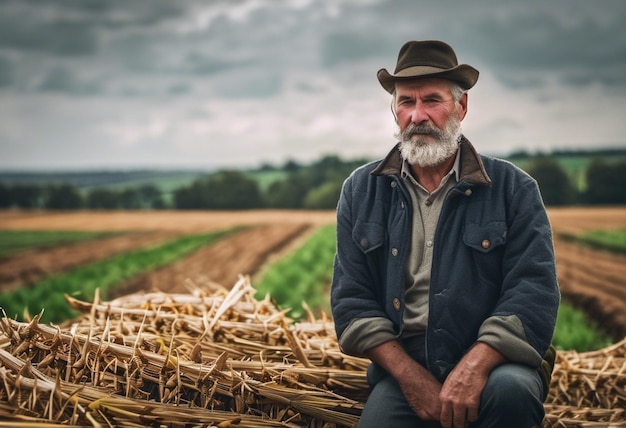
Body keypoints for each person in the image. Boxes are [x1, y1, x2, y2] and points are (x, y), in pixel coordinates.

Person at [330, 40, 560, 428]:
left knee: (511, 394)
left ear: (461, 107)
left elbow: (533, 291)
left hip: (494, 365)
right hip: (407, 369)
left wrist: (474, 366)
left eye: (432, 100)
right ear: (394, 110)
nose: (418, 115)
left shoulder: (512, 188)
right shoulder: (361, 190)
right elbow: (352, 300)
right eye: (406, 102)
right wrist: (409, 376)